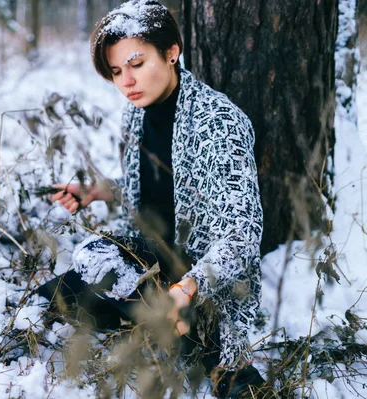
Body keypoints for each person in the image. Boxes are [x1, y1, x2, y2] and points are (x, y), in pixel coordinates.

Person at [37, 1, 264, 397]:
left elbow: (243, 232)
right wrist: (93, 190)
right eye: (116, 71)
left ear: (172, 51)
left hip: (199, 282)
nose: (126, 81)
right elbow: (155, 188)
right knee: (53, 299)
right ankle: (154, 324)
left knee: (229, 374)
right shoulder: (136, 115)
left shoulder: (217, 121)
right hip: (148, 262)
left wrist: (188, 289)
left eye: (137, 64)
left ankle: (203, 343)